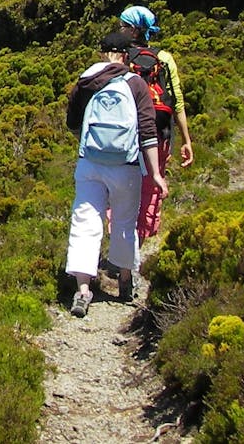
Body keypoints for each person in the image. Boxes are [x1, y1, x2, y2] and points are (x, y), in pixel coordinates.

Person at [64, 31, 168, 317]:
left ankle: (82, 289)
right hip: (126, 165)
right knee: (124, 221)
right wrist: (156, 173)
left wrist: (90, 143)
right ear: (126, 56)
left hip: (90, 163)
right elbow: (147, 131)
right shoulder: (135, 83)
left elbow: (72, 122)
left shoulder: (86, 81)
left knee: (85, 220)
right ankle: (125, 279)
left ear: (102, 53)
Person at [118, 5, 193, 243]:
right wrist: (186, 140)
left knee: (121, 189)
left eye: (122, 26)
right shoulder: (164, 58)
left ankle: (120, 246)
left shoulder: (120, 57)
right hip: (160, 134)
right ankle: (138, 244)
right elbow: (177, 101)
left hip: (126, 135)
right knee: (151, 188)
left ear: (133, 30)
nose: (119, 30)